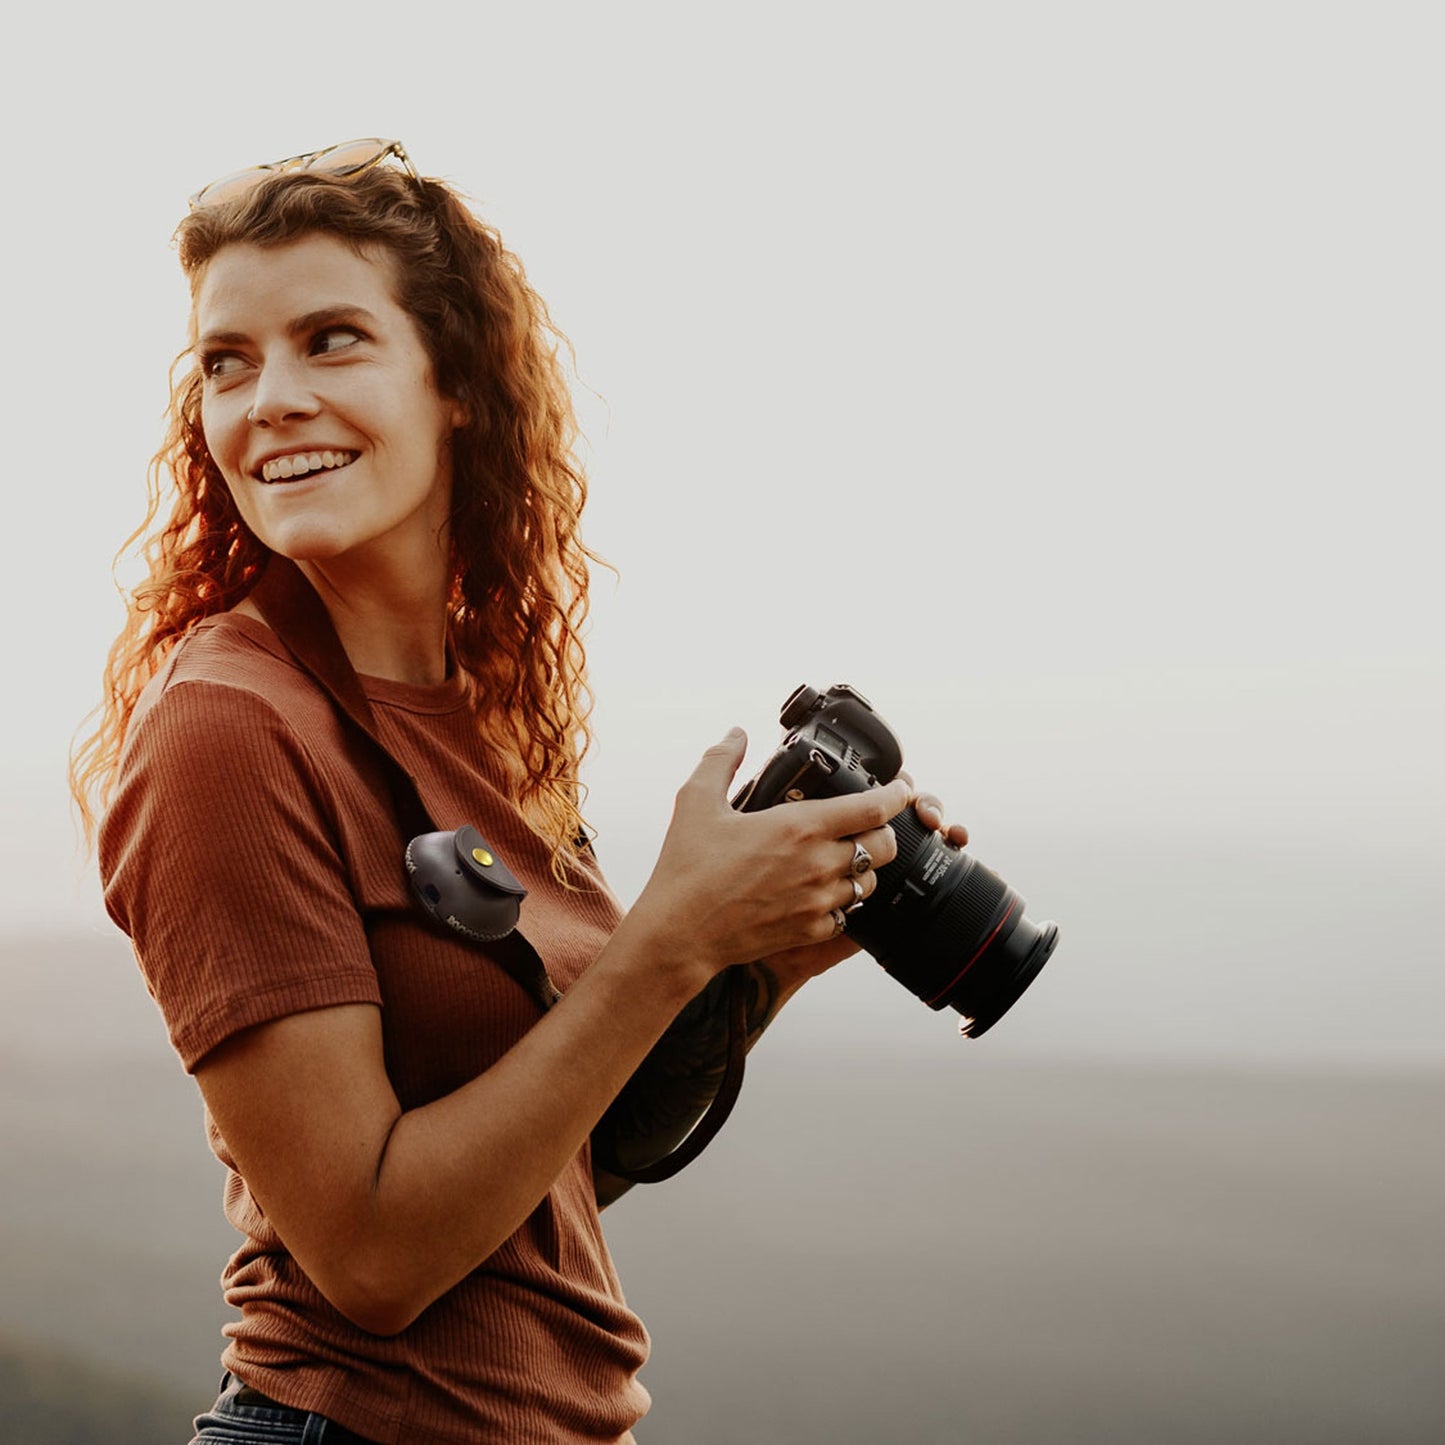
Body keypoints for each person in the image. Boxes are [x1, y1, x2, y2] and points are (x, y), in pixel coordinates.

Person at [72, 139, 967, 1444]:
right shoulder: (227, 728)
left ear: (458, 389)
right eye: (227, 359)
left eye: (330, 340)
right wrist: (668, 934)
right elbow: (374, 1259)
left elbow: (568, 1159)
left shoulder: (471, 714)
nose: (266, 399)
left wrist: (760, 958)